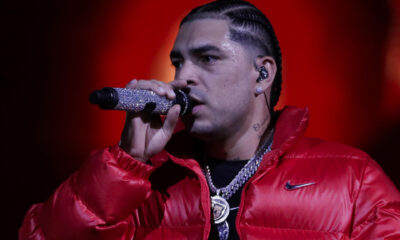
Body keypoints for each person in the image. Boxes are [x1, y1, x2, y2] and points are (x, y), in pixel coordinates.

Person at [19, 0, 400, 239]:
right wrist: (125, 162)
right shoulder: (144, 185)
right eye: (178, 62)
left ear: (263, 75)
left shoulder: (354, 179)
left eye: (207, 58)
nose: (183, 77)